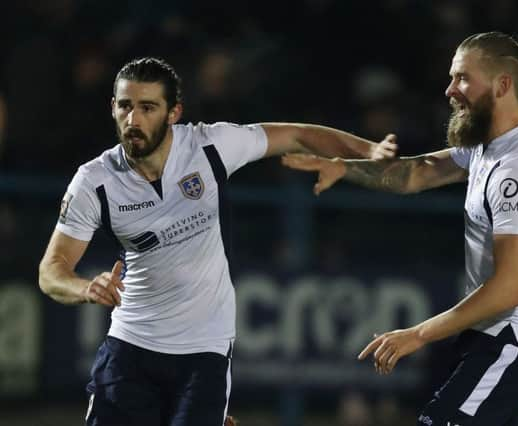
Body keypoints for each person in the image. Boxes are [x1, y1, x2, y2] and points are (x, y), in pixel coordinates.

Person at [38, 57, 397, 426]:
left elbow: (296, 134)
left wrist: (368, 151)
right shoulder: (94, 182)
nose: (133, 120)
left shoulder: (210, 147)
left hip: (204, 353)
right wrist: (86, 287)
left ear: (173, 112)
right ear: (113, 107)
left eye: (147, 108)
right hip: (131, 345)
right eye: (125, 106)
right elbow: (51, 271)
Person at [283, 31, 518, 425]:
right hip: (494, 338)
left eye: (463, 78)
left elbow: (508, 289)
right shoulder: (498, 141)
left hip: (513, 343)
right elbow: (419, 172)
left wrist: (416, 335)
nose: (450, 89)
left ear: (503, 85)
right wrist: (343, 166)